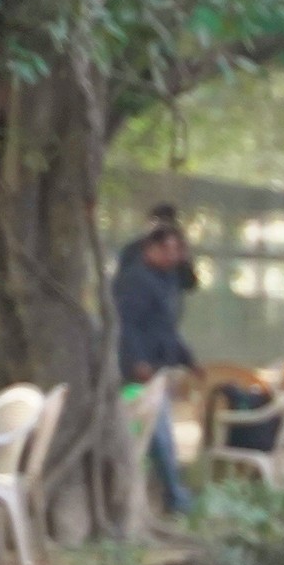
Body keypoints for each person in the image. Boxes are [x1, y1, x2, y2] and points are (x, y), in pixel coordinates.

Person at [111, 206, 200, 515]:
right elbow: (126, 325)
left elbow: (167, 327)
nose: (174, 256)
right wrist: (137, 361)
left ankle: (168, 491)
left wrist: (188, 360)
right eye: (168, 250)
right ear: (152, 247)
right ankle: (174, 495)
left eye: (178, 250)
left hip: (158, 365)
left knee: (157, 432)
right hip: (136, 372)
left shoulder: (168, 279)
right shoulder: (135, 278)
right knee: (156, 432)